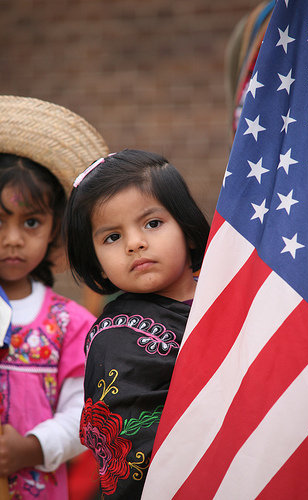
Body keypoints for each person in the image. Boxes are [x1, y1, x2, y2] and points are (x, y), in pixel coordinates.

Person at [63, 149, 210, 498]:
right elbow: (133, 456)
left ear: (187, 230)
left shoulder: (228, 296)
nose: (135, 243)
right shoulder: (118, 339)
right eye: (112, 237)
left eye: (152, 223)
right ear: (97, 263)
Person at [0, 95, 109, 500]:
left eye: (30, 222)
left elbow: (83, 415)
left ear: (54, 229)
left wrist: (32, 447)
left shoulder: (70, 322)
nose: (13, 239)